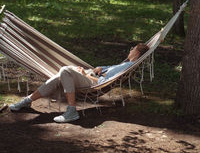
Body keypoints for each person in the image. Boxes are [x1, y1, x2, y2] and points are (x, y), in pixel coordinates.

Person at [9, 43, 149, 123]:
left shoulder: (126, 67)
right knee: (61, 75)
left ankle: (72, 111)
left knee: (64, 70)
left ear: (137, 53)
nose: (130, 50)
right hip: (91, 75)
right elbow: (104, 72)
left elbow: (105, 82)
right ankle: (28, 100)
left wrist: (84, 74)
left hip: (93, 82)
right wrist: (98, 69)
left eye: (133, 48)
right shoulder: (125, 64)